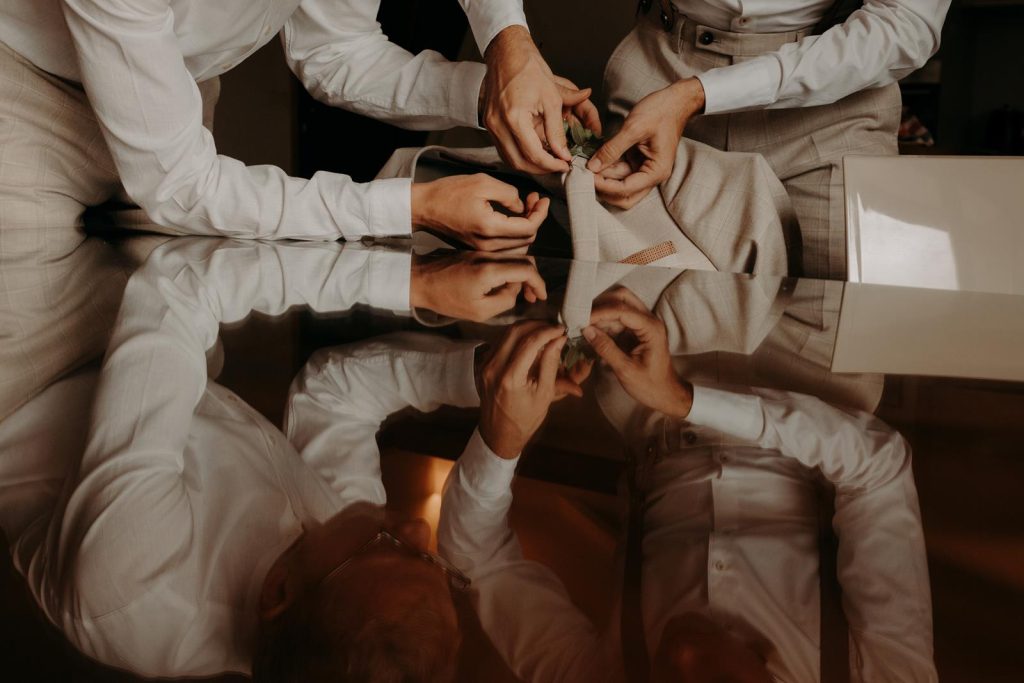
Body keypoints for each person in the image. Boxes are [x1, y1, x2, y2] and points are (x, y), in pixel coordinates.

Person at [0, 237, 581, 680]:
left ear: (278, 592)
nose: (416, 529)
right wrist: (476, 379)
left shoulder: (133, 583)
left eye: (399, 548)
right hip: (155, 328)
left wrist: (411, 284)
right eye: (439, 568)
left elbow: (177, 284)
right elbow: (334, 398)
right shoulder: (339, 565)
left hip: (30, 360)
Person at [437, 282, 936, 682]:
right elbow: (877, 467)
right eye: (719, 680)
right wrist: (685, 399)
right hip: (812, 374)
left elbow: (476, 562)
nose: (682, 654)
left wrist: (501, 440)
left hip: (645, 399)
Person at [0, 0, 600, 252]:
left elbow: (336, 50)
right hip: (25, 98)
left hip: (177, 91)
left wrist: (497, 90)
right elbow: (182, 186)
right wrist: (411, 207)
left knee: (175, 341)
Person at [587, 0, 951, 280]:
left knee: (843, 321)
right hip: (661, 76)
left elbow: (904, 23)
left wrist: (699, 94)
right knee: (638, 298)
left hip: (832, 91)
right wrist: (524, 42)